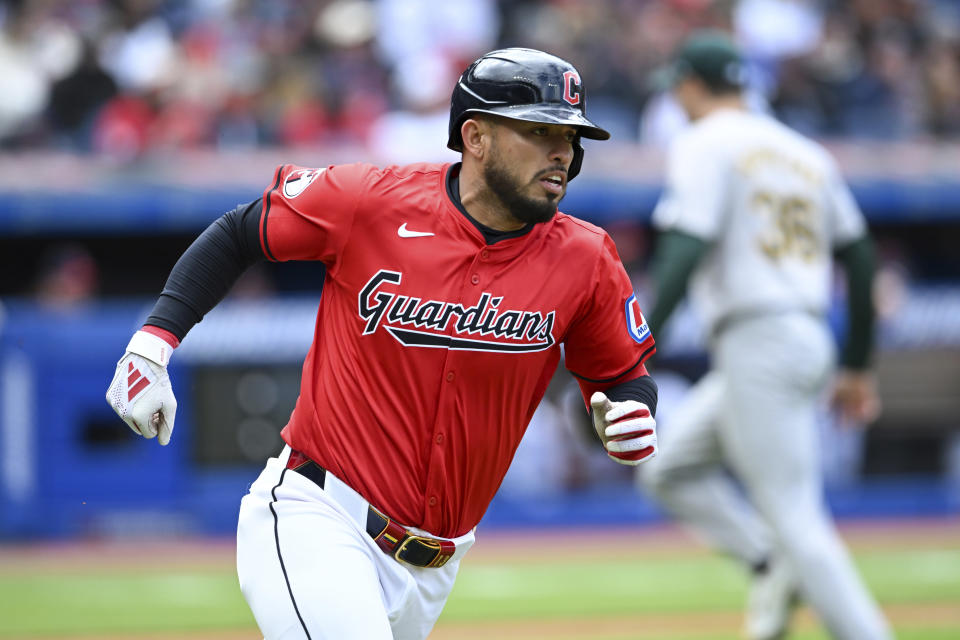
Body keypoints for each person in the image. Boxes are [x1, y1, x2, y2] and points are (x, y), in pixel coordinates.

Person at [106, 48, 660, 640]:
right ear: (475, 136)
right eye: (539, 130)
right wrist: (151, 345)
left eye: (572, 136)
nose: (563, 152)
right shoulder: (369, 200)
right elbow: (241, 232)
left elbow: (620, 381)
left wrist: (630, 414)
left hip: (435, 566)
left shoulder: (586, 256)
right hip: (318, 516)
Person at [636, 31, 892, 640]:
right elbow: (858, 260)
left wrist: (635, 353)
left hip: (760, 340)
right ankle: (772, 567)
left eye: (678, 88)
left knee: (798, 519)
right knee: (666, 469)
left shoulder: (703, 141)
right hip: (799, 338)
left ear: (692, 86)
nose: (676, 100)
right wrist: (856, 366)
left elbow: (684, 248)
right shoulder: (804, 151)